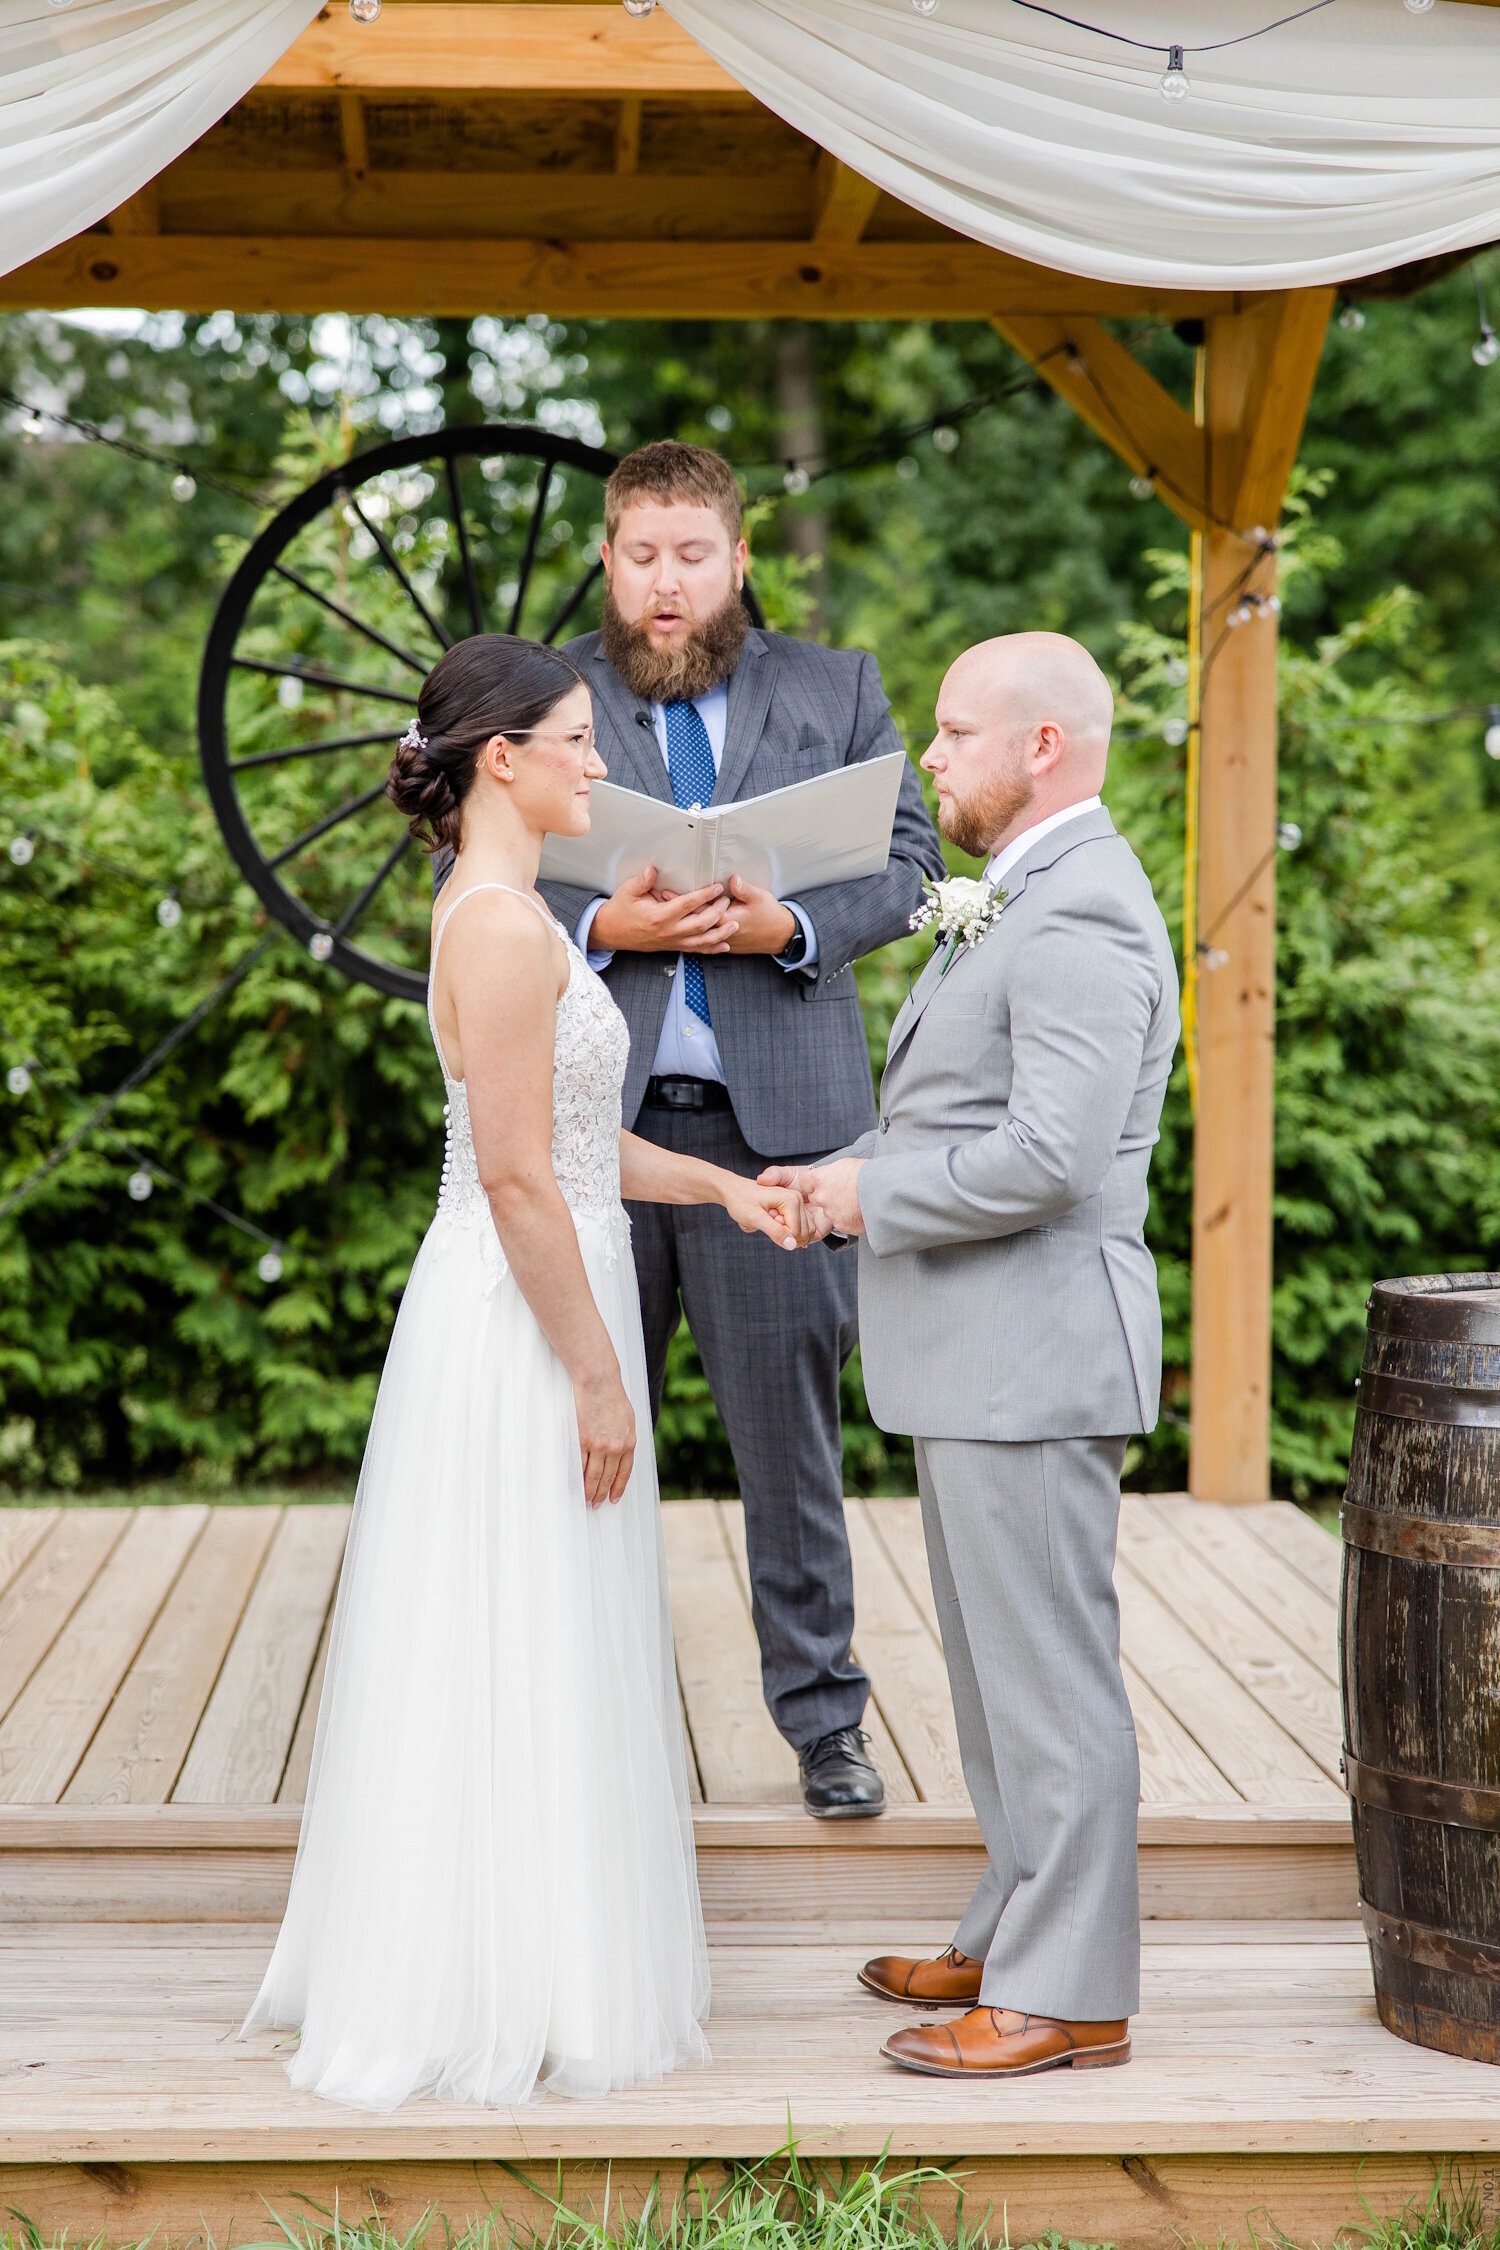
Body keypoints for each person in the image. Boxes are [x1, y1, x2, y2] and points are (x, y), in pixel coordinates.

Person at [242, 634, 812, 2111]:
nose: (601, 761)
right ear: (504, 757)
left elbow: (579, 1140)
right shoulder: (495, 927)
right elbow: (511, 1177)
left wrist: (723, 1187)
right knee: (502, 1625)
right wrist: (599, 1376)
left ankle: (548, 1960)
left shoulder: (528, 912)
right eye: (577, 738)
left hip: (555, 1285)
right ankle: (483, 1982)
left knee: (547, 1626)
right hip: (518, 1318)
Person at [767, 632, 1179, 2078]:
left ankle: (1072, 1995)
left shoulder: (1080, 915)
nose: (927, 757)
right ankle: (1017, 1922)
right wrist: (836, 1173)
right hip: (983, 1356)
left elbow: (1049, 1160)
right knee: (1003, 1679)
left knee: (1052, 1682)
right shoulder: (1024, 896)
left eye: (952, 732)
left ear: (1043, 747)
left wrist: (871, 1195)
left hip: (1035, 1352)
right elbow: (961, 1120)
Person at [542, 440, 945, 1817]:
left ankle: (825, 1723)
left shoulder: (837, 688)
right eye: (641, 557)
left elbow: (915, 869)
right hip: (605, 1131)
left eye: (691, 557)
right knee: (583, 1435)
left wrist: (795, 928)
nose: (666, 585)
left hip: (788, 1135)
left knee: (792, 1445)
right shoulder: (555, 698)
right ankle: (583, 1724)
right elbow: (472, 866)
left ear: (738, 558)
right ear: (608, 556)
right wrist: (603, 923)